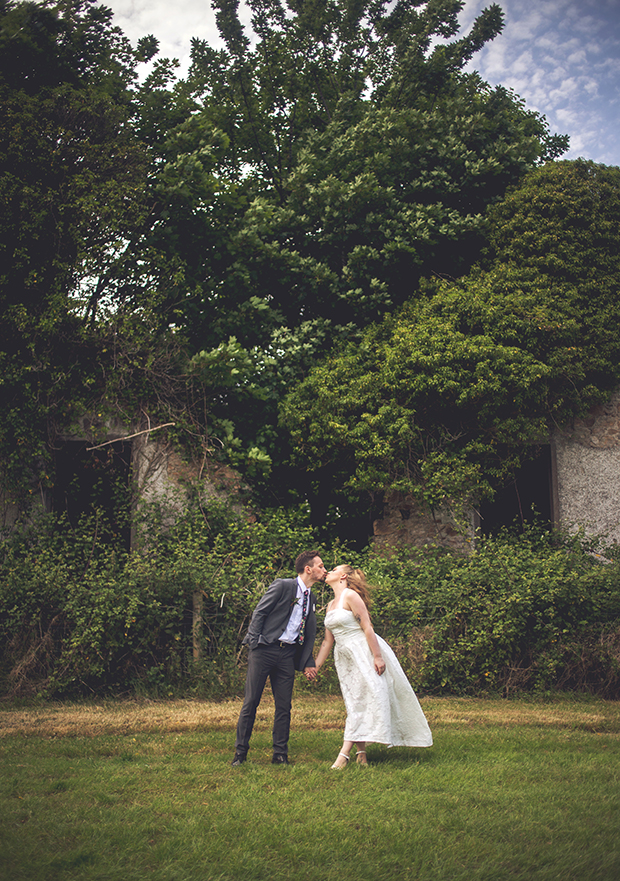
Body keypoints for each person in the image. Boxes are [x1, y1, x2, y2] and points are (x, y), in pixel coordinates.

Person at [314, 564, 432, 768]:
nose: (328, 572)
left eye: (333, 569)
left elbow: (367, 626)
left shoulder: (350, 596)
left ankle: (344, 754)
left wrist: (377, 657)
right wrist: (315, 666)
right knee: (354, 701)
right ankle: (361, 753)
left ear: (342, 576)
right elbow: (327, 641)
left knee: (366, 698)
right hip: (345, 657)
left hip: (363, 651)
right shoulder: (331, 604)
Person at [231, 550, 326, 766]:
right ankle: (240, 753)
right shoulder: (284, 586)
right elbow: (260, 612)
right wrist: (255, 641)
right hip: (264, 650)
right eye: (320, 566)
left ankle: (280, 754)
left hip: (287, 655)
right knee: (251, 701)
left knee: (284, 705)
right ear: (308, 569)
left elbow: (308, 632)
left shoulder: (312, 596)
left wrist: (307, 660)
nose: (324, 569)